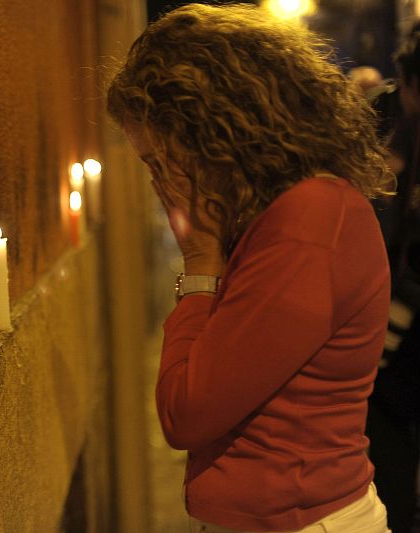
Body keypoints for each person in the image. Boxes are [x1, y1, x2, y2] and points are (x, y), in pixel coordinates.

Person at [107, 4, 394, 532]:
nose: (154, 182)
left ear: (213, 133)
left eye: (156, 159)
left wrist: (198, 265)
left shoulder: (307, 222)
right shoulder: (273, 213)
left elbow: (186, 412)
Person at [367, 29, 420, 533]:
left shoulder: (403, 128)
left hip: (402, 336)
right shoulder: (399, 125)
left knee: (387, 435)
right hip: (401, 324)